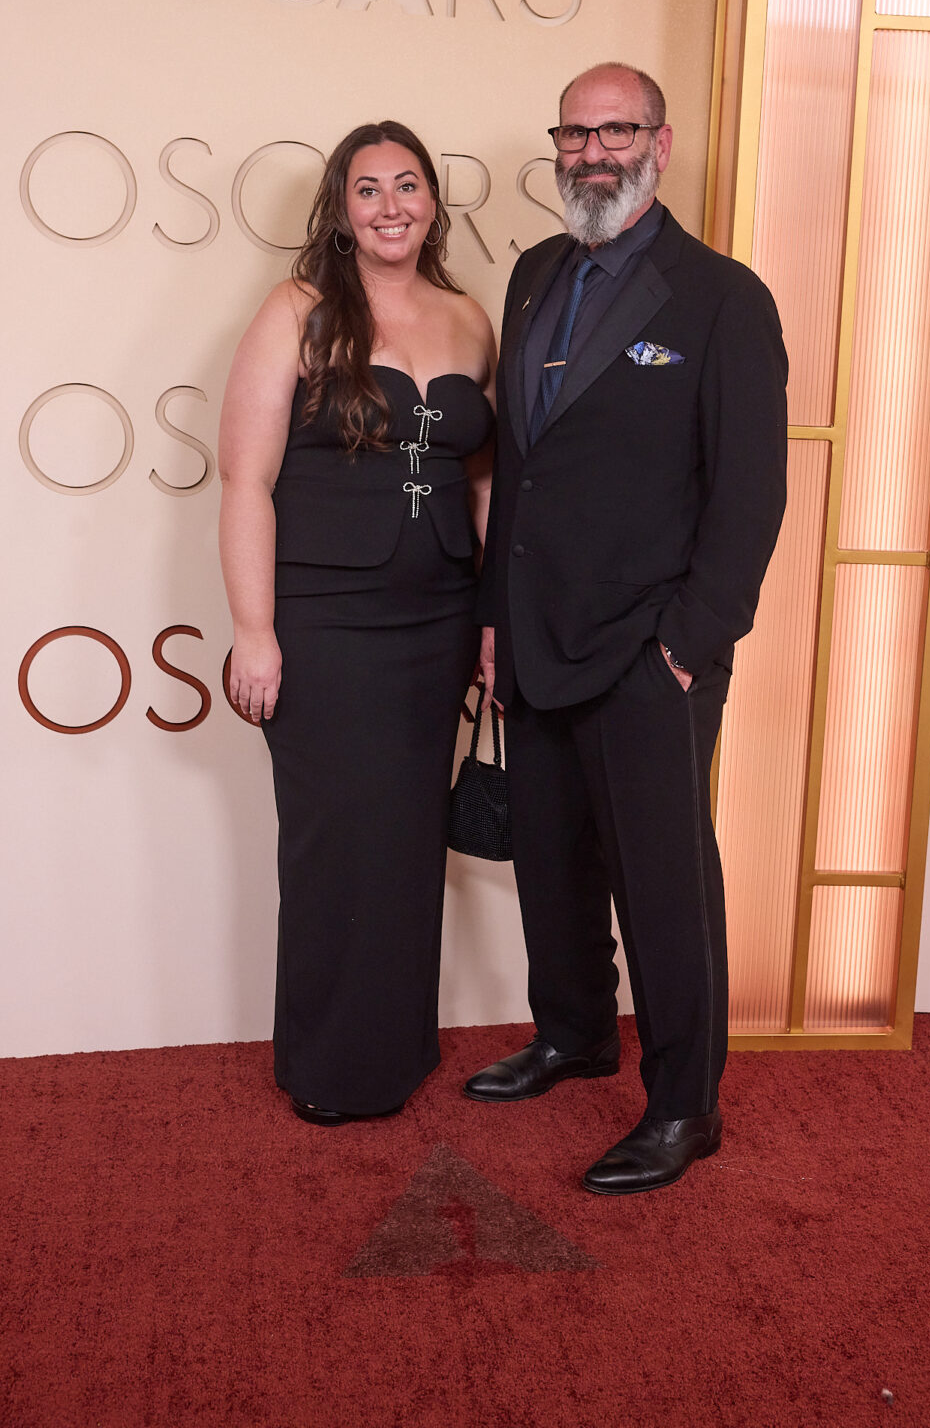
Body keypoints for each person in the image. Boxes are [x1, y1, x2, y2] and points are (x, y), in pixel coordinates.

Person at [466, 64, 788, 1194]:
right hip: (538, 634)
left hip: (651, 652)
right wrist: (495, 622)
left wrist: (686, 648)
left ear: (658, 142)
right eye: (574, 131)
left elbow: (748, 497)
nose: (591, 151)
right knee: (550, 863)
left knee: (662, 886)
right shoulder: (532, 274)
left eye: (615, 130)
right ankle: (572, 1036)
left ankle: (684, 1107)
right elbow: (518, 468)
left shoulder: (720, 297)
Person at [219, 121, 496, 1125]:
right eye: (368, 189)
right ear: (341, 211)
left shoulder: (469, 319)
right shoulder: (298, 308)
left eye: (408, 185)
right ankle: (331, 1066)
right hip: (325, 621)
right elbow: (245, 477)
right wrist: (256, 631)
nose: (391, 206)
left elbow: (481, 477)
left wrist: (492, 615)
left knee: (411, 840)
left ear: (432, 202)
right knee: (335, 842)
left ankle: (397, 1047)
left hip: (437, 617)